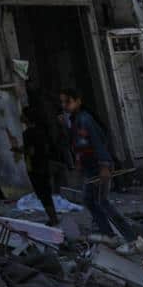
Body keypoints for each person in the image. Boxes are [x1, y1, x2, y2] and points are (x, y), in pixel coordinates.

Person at [59, 89, 135, 241]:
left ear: (78, 101)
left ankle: (128, 236)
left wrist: (104, 166)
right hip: (90, 167)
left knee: (101, 202)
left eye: (67, 101)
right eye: (62, 102)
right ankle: (108, 233)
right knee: (90, 200)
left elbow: (98, 143)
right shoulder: (75, 120)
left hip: (98, 166)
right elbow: (77, 144)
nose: (64, 105)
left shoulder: (85, 119)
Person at [16, 99, 60, 225]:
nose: (21, 116)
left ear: (28, 118)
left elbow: (32, 152)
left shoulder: (28, 133)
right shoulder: (41, 131)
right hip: (43, 165)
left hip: (36, 167)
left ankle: (53, 219)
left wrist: (21, 151)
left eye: (23, 115)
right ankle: (53, 218)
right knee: (46, 194)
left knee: (43, 194)